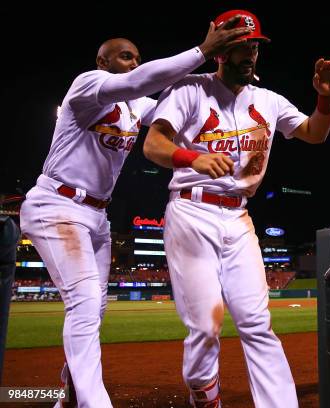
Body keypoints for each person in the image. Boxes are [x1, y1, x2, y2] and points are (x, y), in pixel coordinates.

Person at [19, 17, 253, 408]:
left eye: (136, 57)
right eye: (125, 56)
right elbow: (140, 80)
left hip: (96, 216)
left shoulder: (134, 108)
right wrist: (202, 51)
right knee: (84, 302)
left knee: (96, 307)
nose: (132, 62)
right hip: (56, 204)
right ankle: (94, 402)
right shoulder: (87, 85)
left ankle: (70, 394)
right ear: (102, 61)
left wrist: (226, 77)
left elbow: (177, 105)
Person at [142, 9, 330, 408]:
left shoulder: (268, 100)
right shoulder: (189, 89)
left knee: (257, 322)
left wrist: (326, 96)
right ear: (220, 51)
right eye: (239, 46)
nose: (249, 54)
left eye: (254, 46)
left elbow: (315, 133)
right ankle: (204, 392)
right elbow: (153, 145)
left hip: (238, 217)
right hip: (191, 212)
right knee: (204, 326)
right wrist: (190, 158)